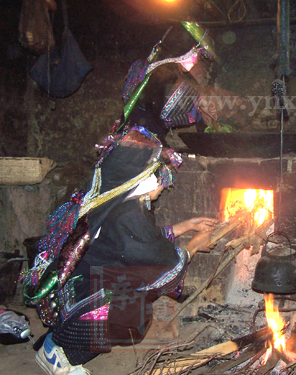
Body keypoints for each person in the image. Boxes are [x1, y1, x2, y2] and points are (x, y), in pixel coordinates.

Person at [32, 126, 218, 375]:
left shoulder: (114, 200)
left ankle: (59, 337)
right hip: (85, 296)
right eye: (160, 179)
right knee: (132, 306)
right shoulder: (127, 214)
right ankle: (55, 350)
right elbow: (155, 258)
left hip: (75, 289)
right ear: (144, 178)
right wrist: (194, 246)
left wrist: (186, 226)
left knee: (129, 296)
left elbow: (131, 244)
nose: (163, 187)